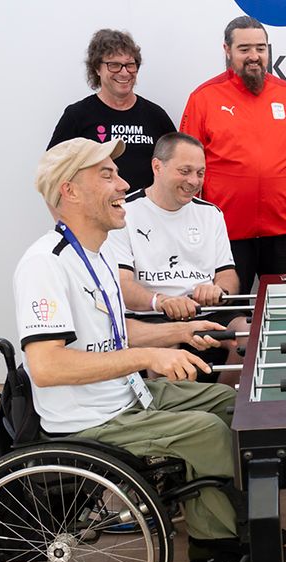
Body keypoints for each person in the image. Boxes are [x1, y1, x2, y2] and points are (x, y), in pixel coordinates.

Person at [17, 137, 246, 562]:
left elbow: (116, 334)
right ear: (70, 191)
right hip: (90, 418)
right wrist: (148, 355)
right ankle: (215, 553)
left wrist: (178, 333)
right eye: (106, 175)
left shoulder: (96, 254)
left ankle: (229, 514)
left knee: (228, 403)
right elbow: (46, 366)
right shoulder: (45, 265)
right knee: (207, 431)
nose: (124, 182)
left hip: (125, 395)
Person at [180, 15, 286, 294]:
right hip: (227, 233)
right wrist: (188, 222)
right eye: (244, 49)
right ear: (227, 50)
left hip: (285, 230)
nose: (254, 56)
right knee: (227, 317)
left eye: (260, 48)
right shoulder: (204, 98)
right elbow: (185, 166)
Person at [105, 132, 248, 387]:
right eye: (185, 171)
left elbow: (228, 275)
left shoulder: (211, 213)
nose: (194, 181)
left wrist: (218, 290)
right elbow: (121, 284)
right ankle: (171, 416)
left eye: (200, 173)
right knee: (165, 340)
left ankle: (223, 404)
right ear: (157, 166)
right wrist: (161, 302)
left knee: (248, 334)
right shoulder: (124, 212)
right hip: (150, 315)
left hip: (207, 312)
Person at [48, 29, 175, 191]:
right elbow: (50, 174)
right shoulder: (77, 116)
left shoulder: (156, 116)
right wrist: (65, 217)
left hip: (147, 215)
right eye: (114, 65)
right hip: (96, 215)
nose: (124, 72)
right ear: (96, 69)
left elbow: (175, 166)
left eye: (130, 65)